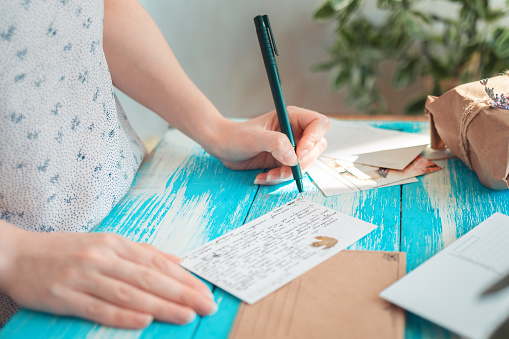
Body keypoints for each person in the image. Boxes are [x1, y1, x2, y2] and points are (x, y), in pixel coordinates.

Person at [0, 0, 329, 329]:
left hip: (135, 200)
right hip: (22, 282)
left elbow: (100, 9)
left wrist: (215, 129)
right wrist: (14, 253)